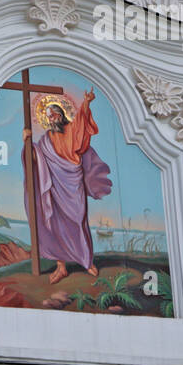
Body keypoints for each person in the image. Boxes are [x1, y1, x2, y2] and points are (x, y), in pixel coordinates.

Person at [22, 90, 112, 285]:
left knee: (78, 220)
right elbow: (37, 159)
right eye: (48, 117)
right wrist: (28, 142)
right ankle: (61, 266)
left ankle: (86, 261)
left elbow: (82, 123)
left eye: (53, 115)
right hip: (53, 186)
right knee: (55, 224)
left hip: (72, 182)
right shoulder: (46, 141)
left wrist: (86, 102)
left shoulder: (72, 129)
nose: (51, 119)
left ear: (61, 115)